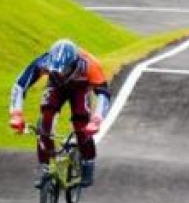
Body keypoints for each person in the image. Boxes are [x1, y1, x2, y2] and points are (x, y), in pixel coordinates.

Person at [8, 38, 111, 188]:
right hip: (55, 86)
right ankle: (44, 166)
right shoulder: (43, 61)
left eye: (65, 70)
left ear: (74, 63)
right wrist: (16, 114)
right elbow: (19, 86)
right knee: (46, 123)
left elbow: (103, 94)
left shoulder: (90, 65)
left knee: (81, 124)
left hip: (80, 87)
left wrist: (96, 120)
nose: (61, 73)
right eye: (56, 69)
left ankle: (88, 162)